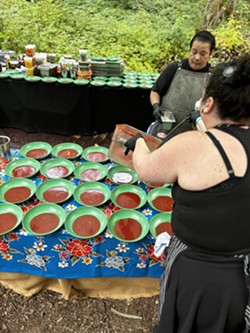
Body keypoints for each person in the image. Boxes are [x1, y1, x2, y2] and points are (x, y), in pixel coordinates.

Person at [124, 55, 250, 333]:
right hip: (242, 272)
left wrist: (139, 143)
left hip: (196, 269)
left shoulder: (191, 145)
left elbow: (147, 170)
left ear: (207, 103)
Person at [149, 30, 216, 138]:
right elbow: (155, 91)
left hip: (195, 135)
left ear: (210, 54)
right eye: (194, 52)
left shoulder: (214, 76)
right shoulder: (175, 68)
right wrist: (156, 106)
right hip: (165, 131)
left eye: (203, 54)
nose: (197, 57)